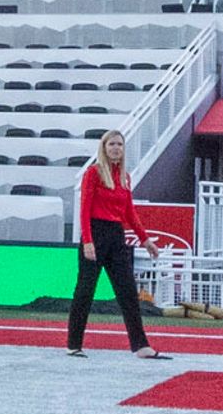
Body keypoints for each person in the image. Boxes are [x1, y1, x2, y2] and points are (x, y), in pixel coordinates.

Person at [67, 128, 158, 357]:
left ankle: (140, 346)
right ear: (104, 148)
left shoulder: (124, 177)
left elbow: (129, 212)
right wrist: (88, 241)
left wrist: (145, 239)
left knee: (127, 290)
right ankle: (74, 343)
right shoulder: (93, 173)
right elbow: (85, 210)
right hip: (95, 233)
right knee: (85, 291)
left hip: (116, 236)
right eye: (111, 144)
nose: (116, 148)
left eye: (119, 144)